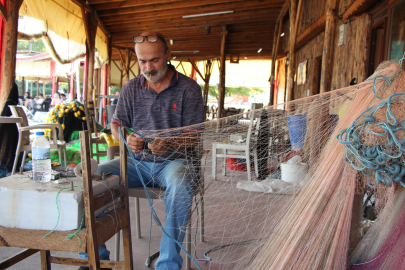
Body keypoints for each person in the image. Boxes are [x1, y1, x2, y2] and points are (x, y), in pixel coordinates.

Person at [78, 32, 204, 270]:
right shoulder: (131, 88)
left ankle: (167, 264)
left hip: (175, 163)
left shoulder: (189, 89)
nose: (148, 67)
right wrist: (126, 138)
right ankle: (96, 256)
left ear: (167, 55)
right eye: (142, 61)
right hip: (136, 163)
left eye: (154, 60)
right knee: (93, 179)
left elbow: (196, 136)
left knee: (180, 187)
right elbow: (116, 124)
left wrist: (170, 144)